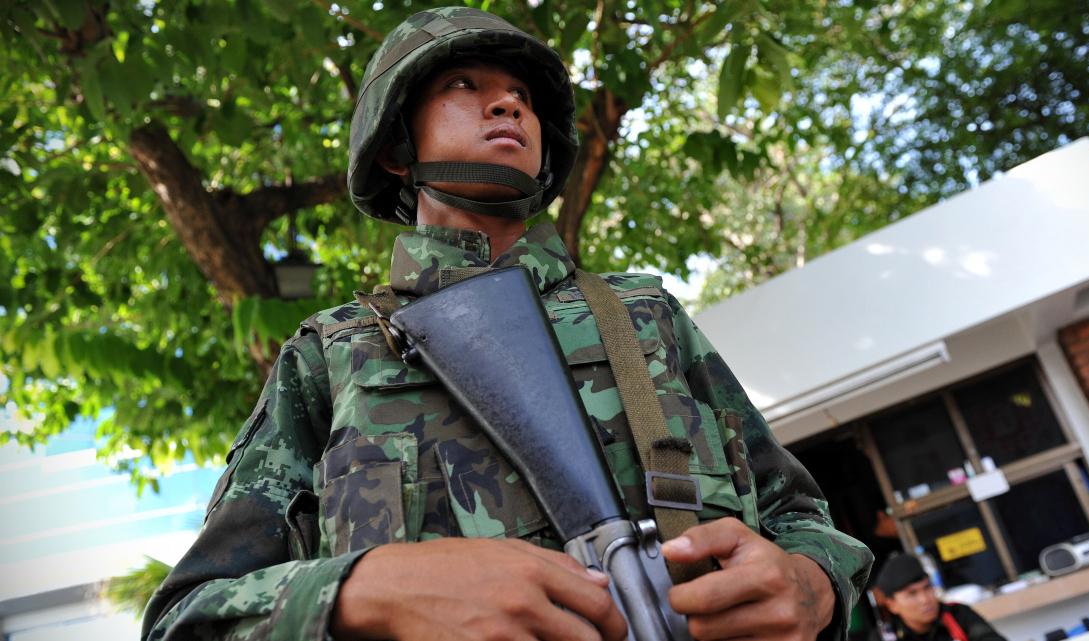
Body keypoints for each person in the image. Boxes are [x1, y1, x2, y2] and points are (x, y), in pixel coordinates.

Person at [142, 7, 872, 641]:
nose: (508, 107)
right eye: (465, 87)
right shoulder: (331, 354)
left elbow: (800, 516)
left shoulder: (643, 313)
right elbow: (188, 615)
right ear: (397, 148)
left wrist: (813, 584)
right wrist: (367, 589)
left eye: (521, 96)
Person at [873, 554, 1006, 641]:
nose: (925, 599)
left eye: (927, 588)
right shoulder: (885, 637)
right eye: (912, 594)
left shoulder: (957, 615)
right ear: (892, 605)